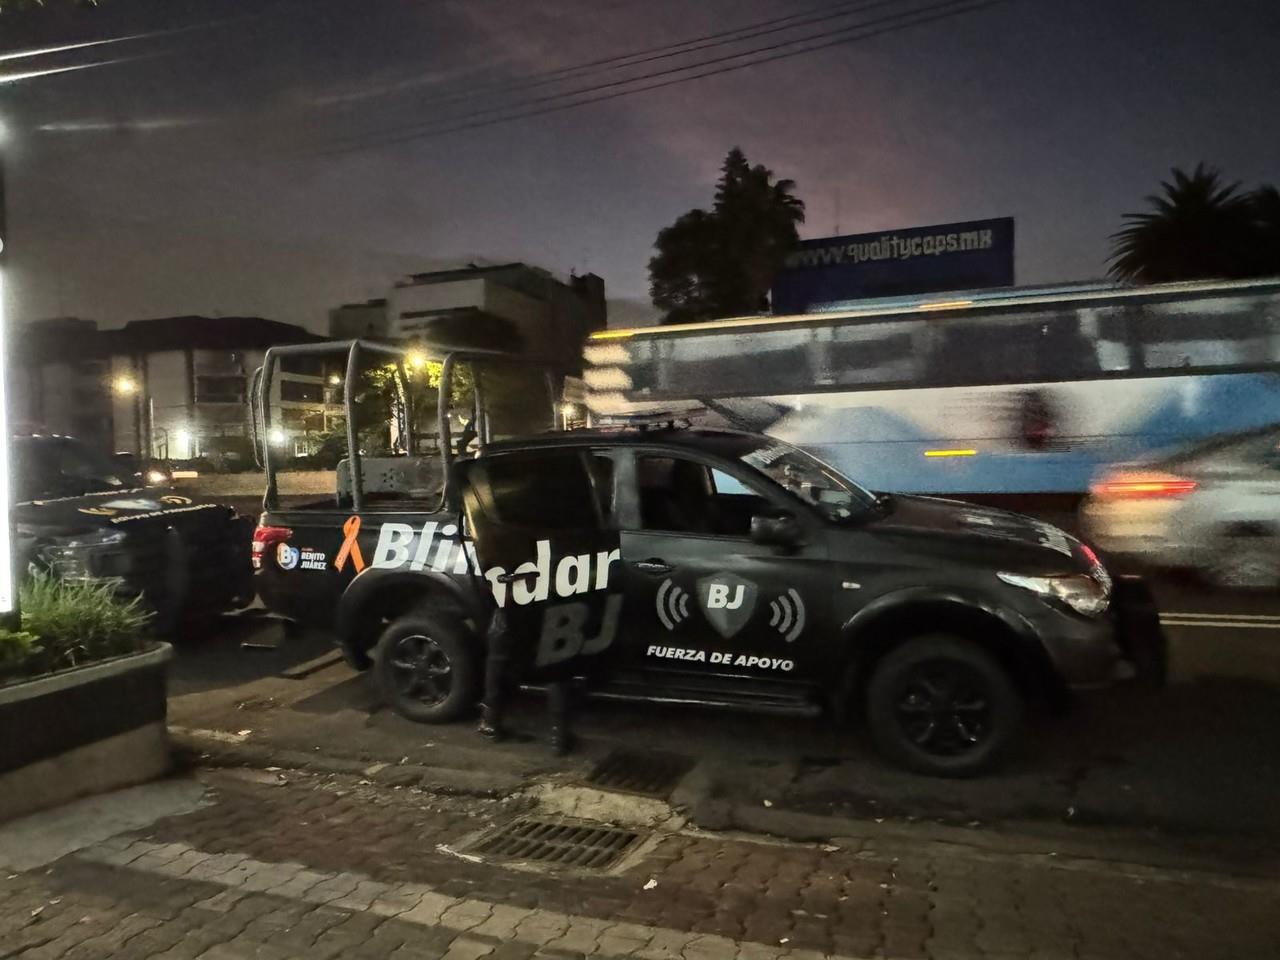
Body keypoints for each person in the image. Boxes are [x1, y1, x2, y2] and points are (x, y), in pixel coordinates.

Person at [477, 605, 576, 756]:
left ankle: (491, 722)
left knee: (498, 659)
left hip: (511, 607)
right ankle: (559, 737)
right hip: (549, 606)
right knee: (557, 665)